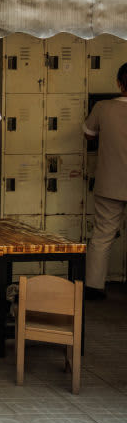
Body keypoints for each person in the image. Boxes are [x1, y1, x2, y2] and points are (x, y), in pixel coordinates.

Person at [82, 62, 127, 301]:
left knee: (102, 235)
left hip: (110, 182)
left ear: (119, 83)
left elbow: (88, 133)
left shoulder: (103, 107)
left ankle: (94, 286)